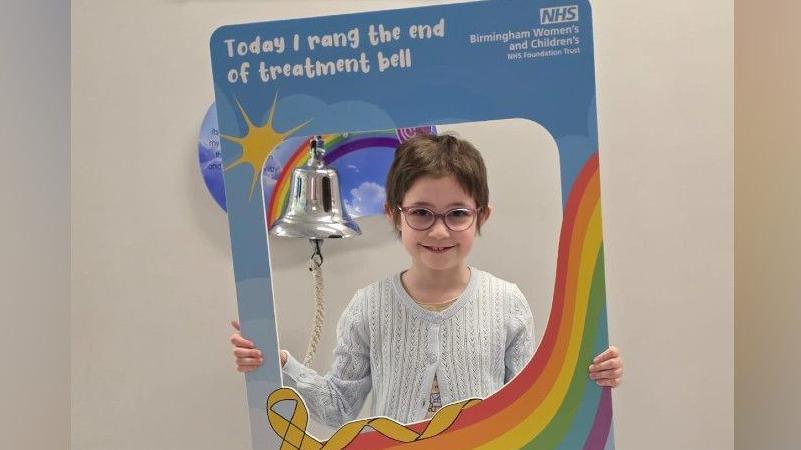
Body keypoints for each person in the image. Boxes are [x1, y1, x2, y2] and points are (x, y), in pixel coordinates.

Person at [230, 134, 623, 428]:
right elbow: (337, 407)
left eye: (456, 214)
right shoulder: (368, 307)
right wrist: (280, 363)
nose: (438, 232)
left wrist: (591, 377)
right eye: (421, 213)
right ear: (394, 215)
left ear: (481, 216)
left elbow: (530, 405)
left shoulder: (507, 304)